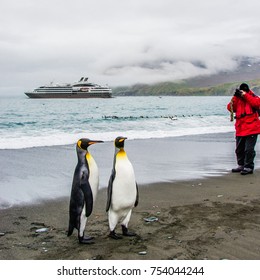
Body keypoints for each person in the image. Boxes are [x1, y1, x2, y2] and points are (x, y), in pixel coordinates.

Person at [227, 83, 260, 175]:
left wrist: (245, 96)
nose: (242, 92)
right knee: (239, 149)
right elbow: (230, 108)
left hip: (252, 127)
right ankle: (241, 165)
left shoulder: (254, 97)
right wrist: (236, 97)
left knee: (249, 149)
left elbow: (256, 104)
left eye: (244, 90)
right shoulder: (238, 99)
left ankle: (249, 167)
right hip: (240, 128)